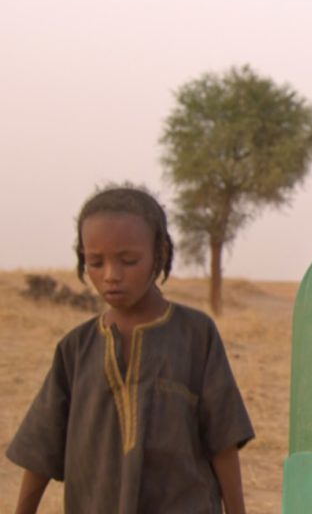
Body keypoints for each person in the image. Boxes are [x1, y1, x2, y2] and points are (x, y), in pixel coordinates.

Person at [6, 186, 254, 514]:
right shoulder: (75, 349)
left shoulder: (196, 335)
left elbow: (223, 440)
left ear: (160, 253)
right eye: (95, 262)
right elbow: (42, 446)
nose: (111, 276)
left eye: (128, 260)